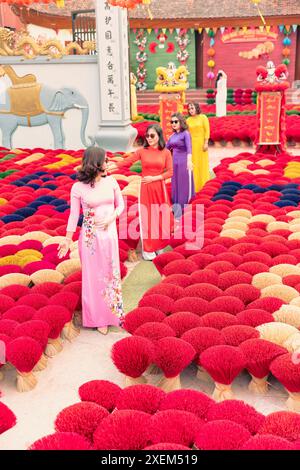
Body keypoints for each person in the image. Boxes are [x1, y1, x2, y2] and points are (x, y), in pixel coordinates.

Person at [58, 146, 124, 335]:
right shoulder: (77, 187)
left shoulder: (111, 181)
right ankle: (98, 318)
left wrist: (112, 218)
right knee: (93, 277)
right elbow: (73, 216)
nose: (108, 162)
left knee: (111, 274)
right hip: (90, 238)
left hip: (109, 235)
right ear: (96, 163)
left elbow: (121, 205)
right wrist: (66, 239)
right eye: (105, 160)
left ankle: (113, 314)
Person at [108, 124, 173, 261]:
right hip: (146, 189)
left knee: (160, 217)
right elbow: (128, 161)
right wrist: (113, 165)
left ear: (159, 136)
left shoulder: (166, 152)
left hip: (159, 188)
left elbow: (170, 172)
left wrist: (155, 178)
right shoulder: (142, 151)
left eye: (152, 135)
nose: (149, 138)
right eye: (147, 135)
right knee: (147, 218)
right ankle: (148, 250)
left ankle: (159, 246)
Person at [166, 112, 194, 219]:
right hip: (174, 163)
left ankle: (183, 209)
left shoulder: (186, 133)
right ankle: (176, 208)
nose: (173, 123)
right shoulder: (172, 136)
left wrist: (189, 161)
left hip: (184, 162)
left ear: (181, 122)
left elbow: (189, 148)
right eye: (171, 122)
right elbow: (166, 149)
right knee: (175, 184)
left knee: (183, 185)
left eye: (175, 121)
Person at [186, 102, 210, 192]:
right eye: (189, 109)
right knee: (194, 164)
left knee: (202, 163)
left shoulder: (203, 117)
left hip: (201, 144)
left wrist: (206, 142)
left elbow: (207, 130)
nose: (191, 110)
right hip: (192, 144)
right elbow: (187, 133)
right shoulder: (188, 120)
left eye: (192, 108)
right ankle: (194, 186)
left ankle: (204, 185)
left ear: (196, 108)